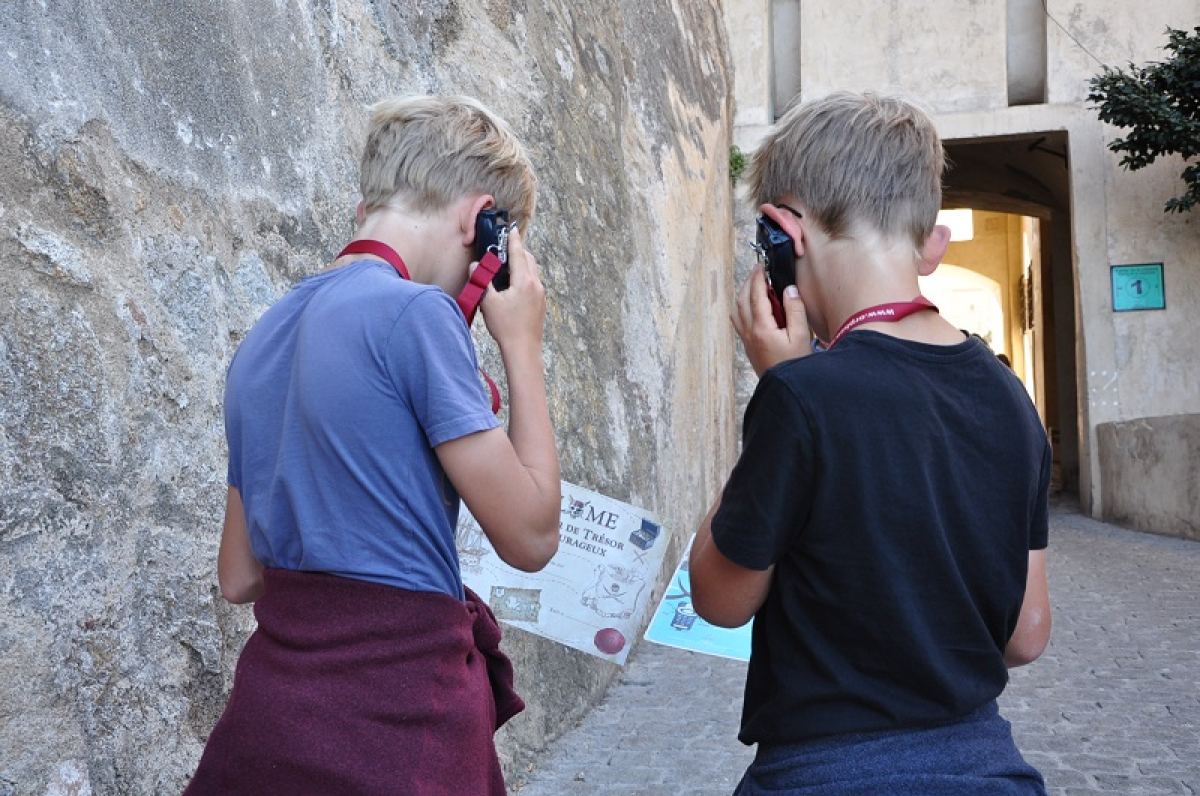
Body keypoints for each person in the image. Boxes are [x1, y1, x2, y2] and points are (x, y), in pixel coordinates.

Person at [186, 94, 561, 794]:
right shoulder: (418, 315)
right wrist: (522, 343)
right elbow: (532, 535)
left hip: (269, 722)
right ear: (481, 222)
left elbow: (239, 577)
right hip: (394, 722)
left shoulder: (262, 338)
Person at [689, 92, 1052, 794]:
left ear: (781, 233)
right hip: (988, 767)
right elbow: (1025, 634)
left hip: (825, 773)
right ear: (933, 244)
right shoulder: (1011, 397)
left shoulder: (801, 394)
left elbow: (719, 598)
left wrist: (777, 385)